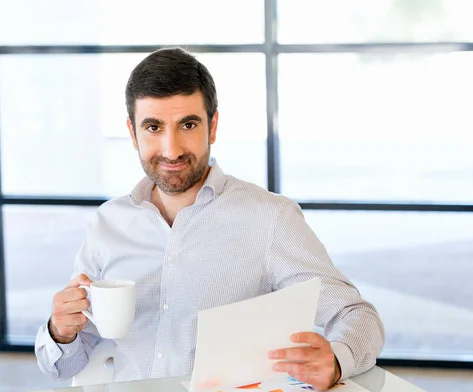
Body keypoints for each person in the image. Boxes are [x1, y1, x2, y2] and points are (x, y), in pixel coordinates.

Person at [34, 47, 385, 391]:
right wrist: (60, 331)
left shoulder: (269, 218)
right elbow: (63, 367)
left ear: (213, 126)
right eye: (153, 127)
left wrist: (336, 360)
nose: (171, 149)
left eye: (188, 124)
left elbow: (357, 315)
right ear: (132, 132)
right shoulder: (107, 225)